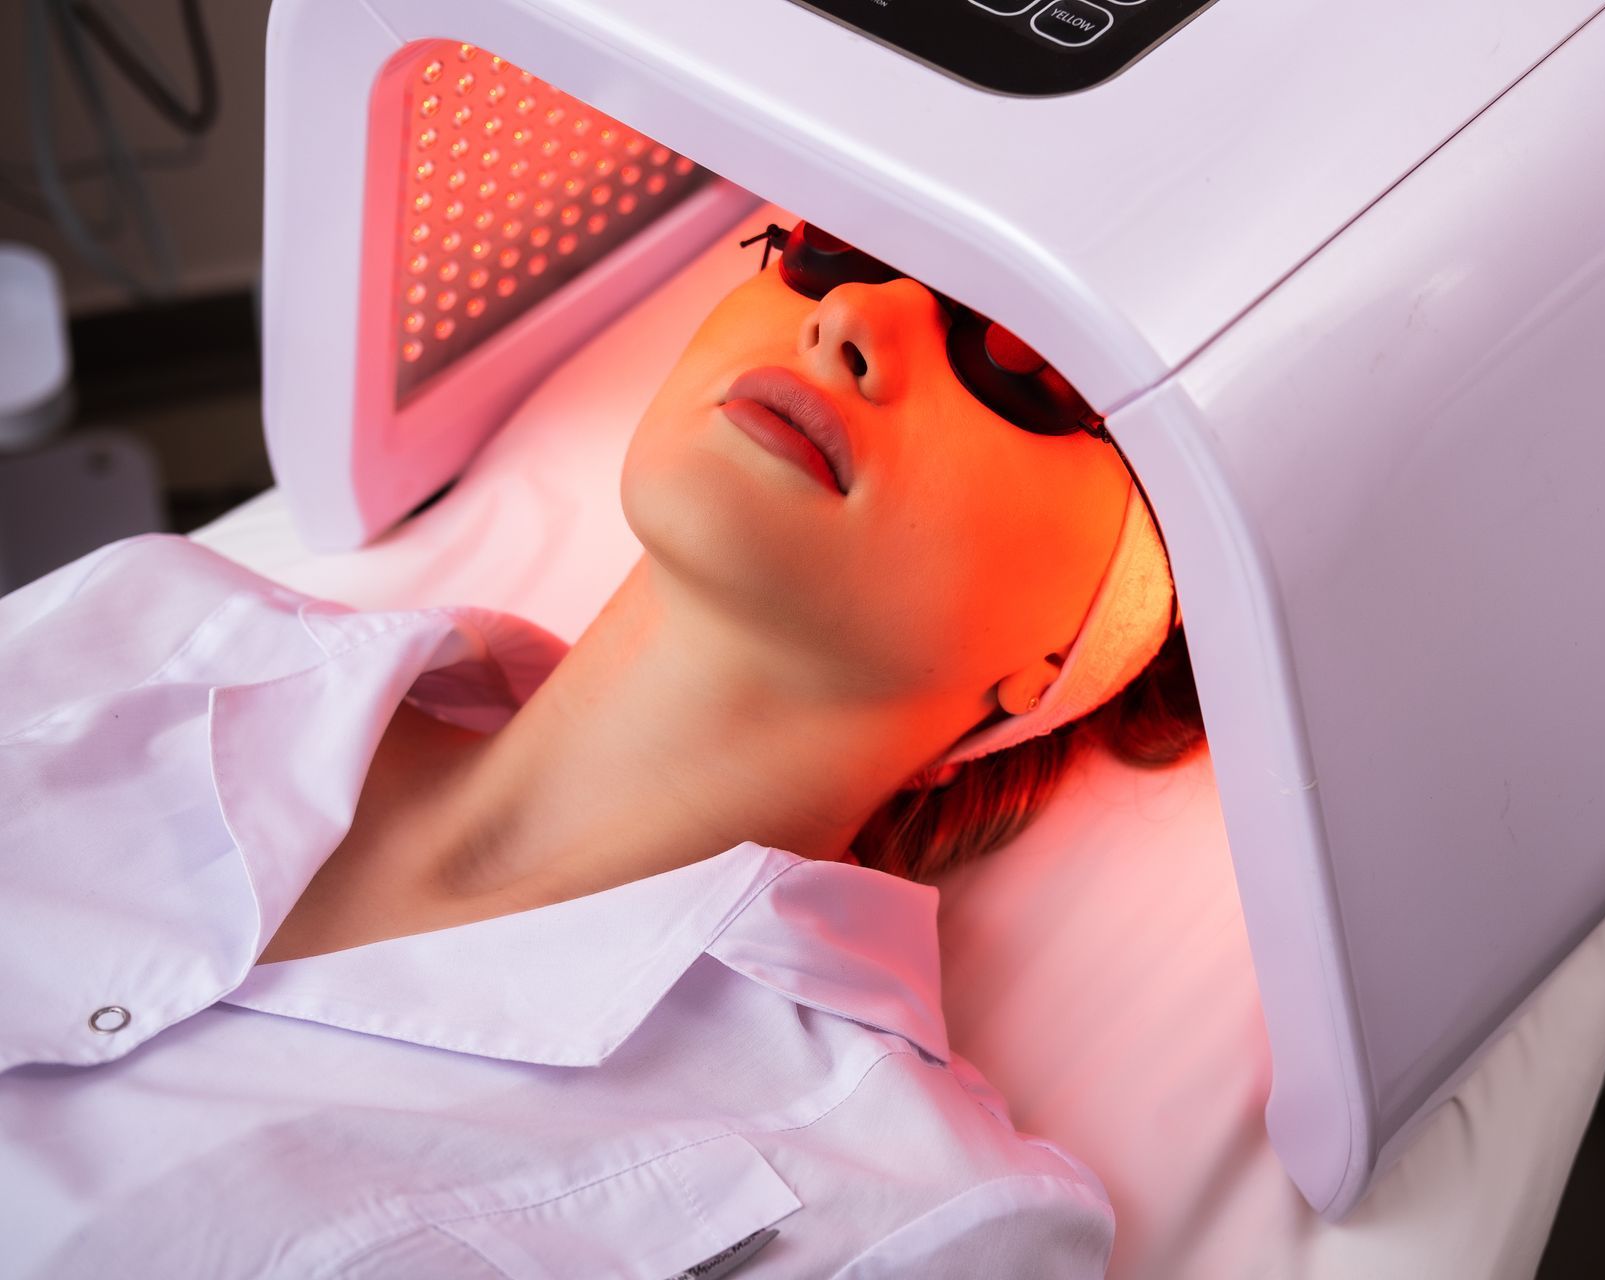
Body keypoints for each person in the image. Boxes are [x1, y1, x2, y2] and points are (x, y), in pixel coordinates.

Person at [0, 221, 1201, 1278]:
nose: (854, 315)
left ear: (1083, 643)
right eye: (837, 248)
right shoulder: (144, 627)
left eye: (1021, 359)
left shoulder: (910, 1210)